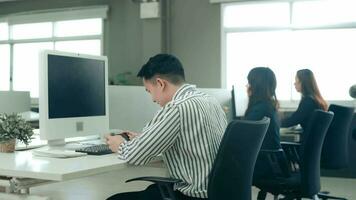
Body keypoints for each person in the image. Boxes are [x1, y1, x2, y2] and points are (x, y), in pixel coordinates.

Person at [105, 54, 227, 200]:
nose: (153, 99)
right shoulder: (209, 100)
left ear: (160, 84)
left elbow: (135, 156)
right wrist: (143, 139)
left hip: (192, 195)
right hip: (218, 191)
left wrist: (119, 143)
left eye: (149, 91)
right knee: (152, 190)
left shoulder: (177, 108)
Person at [243, 67, 281, 180]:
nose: (247, 86)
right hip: (271, 162)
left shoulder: (260, 109)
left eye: (249, 82)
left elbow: (241, 136)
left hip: (265, 164)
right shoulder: (268, 106)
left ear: (256, 85)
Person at [281, 69, 328, 133]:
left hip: (309, 142)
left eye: (296, 80)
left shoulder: (308, 101)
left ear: (303, 82)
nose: (294, 83)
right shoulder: (315, 99)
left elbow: (293, 120)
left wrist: (275, 123)